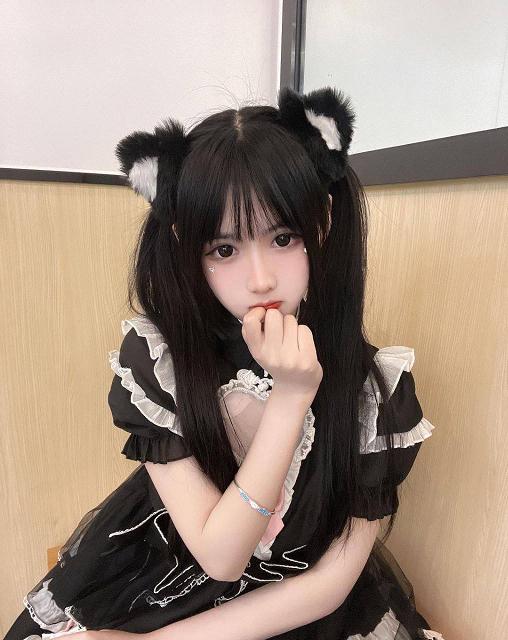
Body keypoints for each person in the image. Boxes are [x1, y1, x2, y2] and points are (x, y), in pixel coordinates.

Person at [5, 86, 445, 640]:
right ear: (185, 244)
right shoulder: (160, 361)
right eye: (224, 249)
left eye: (283, 237)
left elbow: (329, 586)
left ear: (324, 223)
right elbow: (220, 557)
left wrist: (293, 395)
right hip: (167, 577)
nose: (260, 279)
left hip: (298, 609)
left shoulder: (376, 393)